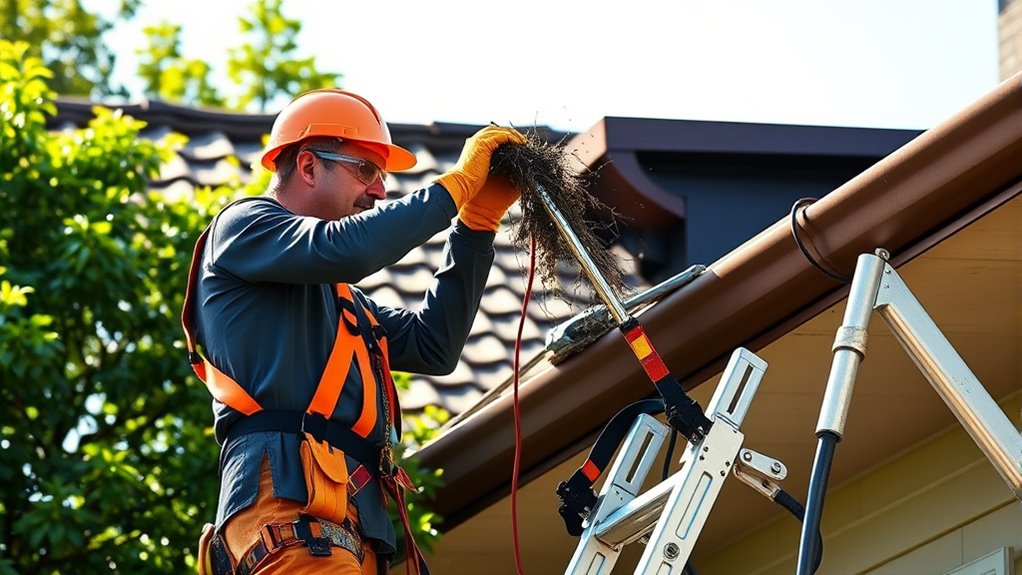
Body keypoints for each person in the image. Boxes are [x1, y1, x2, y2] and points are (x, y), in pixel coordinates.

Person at [181, 88, 526, 575]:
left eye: (382, 176)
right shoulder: (242, 227)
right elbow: (350, 250)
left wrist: (477, 224)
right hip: (288, 512)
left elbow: (434, 346)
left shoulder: (342, 305)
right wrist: (455, 187)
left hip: (348, 530)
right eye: (365, 170)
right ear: (307, 166)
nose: (379, 190)